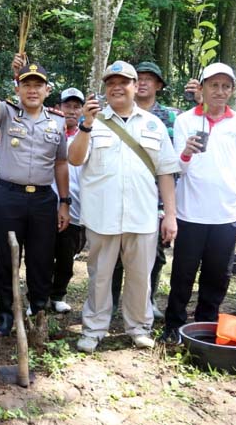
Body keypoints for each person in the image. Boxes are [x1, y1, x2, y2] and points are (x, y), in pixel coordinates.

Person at [68, 61, 179, 353]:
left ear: (135, 86)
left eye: (124, 82)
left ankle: (139, 328)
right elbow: (75, 159)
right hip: (101, 216)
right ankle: (93, 329)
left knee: (141, 277)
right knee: (100, 276)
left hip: (142, 216)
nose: (117, 87)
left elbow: (166, 172)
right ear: (105, 89)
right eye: (111, 83)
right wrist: (85, 125)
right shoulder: (93, 122)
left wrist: (170, 215)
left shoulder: (153, 124)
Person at [0, 26, 70, 336]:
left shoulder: (57, 122)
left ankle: (38, 311)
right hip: (10, 197)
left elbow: (60, 163)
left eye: (38, 85)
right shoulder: (7, 115)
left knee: (42, 259)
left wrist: (65, 202)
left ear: (46, 90)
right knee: (6, 258)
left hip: (43, 199)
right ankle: (5, 315)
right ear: (18, 89)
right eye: (26, 85)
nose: (32, 90)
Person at [161, 63, 236, 343]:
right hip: (190, 213)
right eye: (214, 85)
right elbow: (177, 169)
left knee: (217, 277)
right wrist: (187, 152)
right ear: (201, 88)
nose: (220, 91)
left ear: (232, 91)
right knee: (182, 275)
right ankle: (174, 326)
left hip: (226, 214)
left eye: (226, 86)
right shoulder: (185, 120)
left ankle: (204, 328)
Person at [111, 61, 182, 320]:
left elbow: (170, 164)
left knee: (154, 254)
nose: (142, 82)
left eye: (148, 79)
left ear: (159, 85)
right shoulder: (111, 113)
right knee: (116, 255)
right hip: (118, 196)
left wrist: (169, 209)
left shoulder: (170, 117)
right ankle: (110, 304)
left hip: (154, 198)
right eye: (137, 78)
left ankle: (146, 302)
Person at [49, 88, 86, 313]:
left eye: (76, 107)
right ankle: (39, 296)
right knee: (41, 254)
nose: (71, 111)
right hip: (47, 203)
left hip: (76, 205)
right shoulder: (50, 130)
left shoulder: (86, 135)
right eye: (67, 106)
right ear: (59, 107)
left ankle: (58, 294)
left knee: (66, 255)